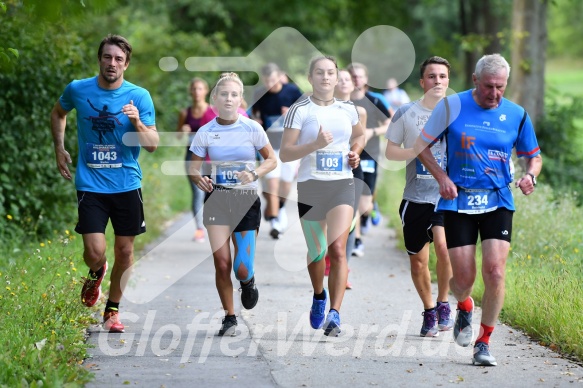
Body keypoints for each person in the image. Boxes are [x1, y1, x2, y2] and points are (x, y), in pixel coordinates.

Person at [414, 54, 542, 366]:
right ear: (475, 80)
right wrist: (442, 177)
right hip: (458, 199)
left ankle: (484, 341)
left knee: (496, 271)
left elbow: (533, 156)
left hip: (498, 199)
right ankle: (465, 305)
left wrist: (530, 176)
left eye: (500, 87)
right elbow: (421, 145)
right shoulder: (451, 107)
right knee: (463, 279)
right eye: (488, 86)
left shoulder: (516, 114)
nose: (494, 93)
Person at [50, 34, 159, 333]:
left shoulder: (139, 96)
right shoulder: (78, 89)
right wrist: (59, 148)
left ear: (126, 64)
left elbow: (152, 144)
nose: (112, 63)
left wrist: (137, 122)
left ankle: (112, 309)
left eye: (119, 59)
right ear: (99, 59)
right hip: (91, 184)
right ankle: (97, 270)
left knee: (125, 251)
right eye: (107, 57)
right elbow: (59, 113)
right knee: (94, 251)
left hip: (126, 184)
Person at [280, 56, 365, 336]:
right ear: (311, 77)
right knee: (317, 252)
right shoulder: (299, 110)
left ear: (336, 76)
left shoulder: (348, 109)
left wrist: (355, 153)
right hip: (311, 185)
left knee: (338, 249)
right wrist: (315, 144)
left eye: (330, 73)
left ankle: (335, 314)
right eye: (320, 73)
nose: (326, 78)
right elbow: (286, 152)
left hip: (342, 183)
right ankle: (319, 295)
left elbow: (359, 136)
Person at [189, 72, 277, 336]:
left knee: (241, 267)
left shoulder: (252, 128)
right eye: (224, 94)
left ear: (241, 99)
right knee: (222, 263)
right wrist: (198, 178)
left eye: (234, 94)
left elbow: (271, 160)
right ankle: (229, 316)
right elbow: (193, 168)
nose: (228, 98)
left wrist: (254, 173)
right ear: (215, 98)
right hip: (217, 198)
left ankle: (247, 281)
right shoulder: (206, 131)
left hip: (245, 199)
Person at [385, 56, 454, 337]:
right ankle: (428, 310)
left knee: (444, 247)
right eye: (432, 76)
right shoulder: (405, 112)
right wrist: (416, 151)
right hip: (415, 197)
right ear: (422, 81)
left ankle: (444, 302)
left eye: (442, 76)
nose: (438, 81)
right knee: (418, 261)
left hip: (446, 197)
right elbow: (390, 152)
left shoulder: (458, 112)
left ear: (448, 80)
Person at [251, 63, 304, 239]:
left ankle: (278, 208)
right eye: (267, 81)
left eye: (273, 80)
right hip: (268, 146)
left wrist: (291, 113)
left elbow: (306, 114)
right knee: (272, 184)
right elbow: (253, 115)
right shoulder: (259, 94)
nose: (270, 85)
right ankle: (275, 221)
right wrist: (256, 122)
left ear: (280, 76)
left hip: (290, 145)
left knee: (285, 184)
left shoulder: (292, 91)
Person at [347, 63, 391, 257]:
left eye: (360, 76)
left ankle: (371, 209)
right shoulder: (341, 101)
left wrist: (373, 131)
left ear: (366, 79)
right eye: (352, 76)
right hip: (348, 156)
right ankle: (356, 240)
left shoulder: (374, 100)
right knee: (353, 200)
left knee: (364, 205)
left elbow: (391, 122)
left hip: (370, 154)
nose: (356, 80)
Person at [331, 69, 367, 290]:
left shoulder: (359, 111)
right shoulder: (320, 108)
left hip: (351, 169)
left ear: (353, 85)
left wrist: (355, 152)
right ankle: (329, 262)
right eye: (340, 79)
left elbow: (359, 138)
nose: (344, 83)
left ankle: (344, 268)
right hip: (325, 173)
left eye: (348, 80)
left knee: (350, 222)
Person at [176, 78, 214, 243]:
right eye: (194, 89)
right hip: (191, 159)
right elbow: (177, 136)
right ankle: (199, 229)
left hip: (211, 158)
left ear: (205, 91)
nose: (197, 92)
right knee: (198, 193)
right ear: (190, 92)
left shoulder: (213, 111)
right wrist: (182, 130)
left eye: (200, 89)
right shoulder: (185, 113)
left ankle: (213, 225)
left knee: (211, 192)